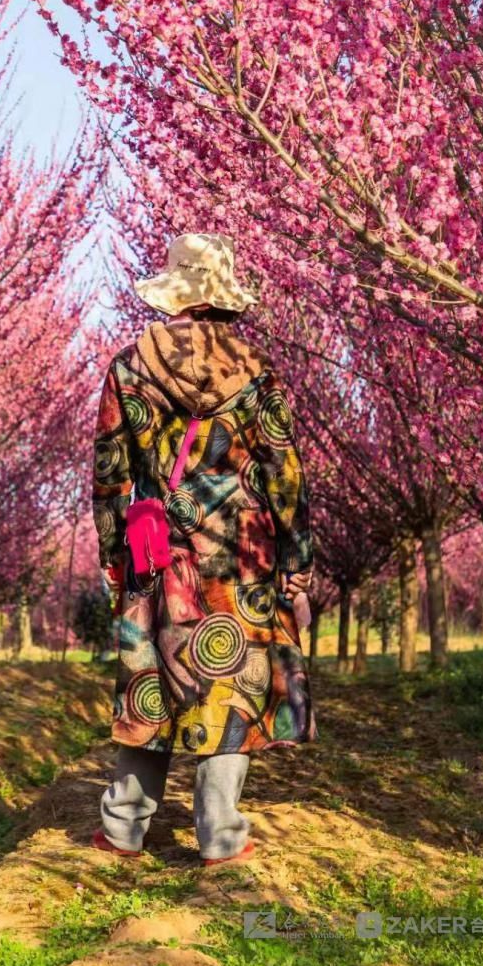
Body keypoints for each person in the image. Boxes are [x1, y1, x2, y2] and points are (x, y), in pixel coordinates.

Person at [91, 233, 316, 866]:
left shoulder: (128, 367)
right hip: (241, 561)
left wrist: (116, 561)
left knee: (151, 685)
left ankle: (123, 829)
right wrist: (296, 566)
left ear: (176, 295)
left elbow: (109, 475)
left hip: (158, 553)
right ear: (223, 298)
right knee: (231, 686)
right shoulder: (257, 373)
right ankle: (220, 835)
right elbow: (286, 477)